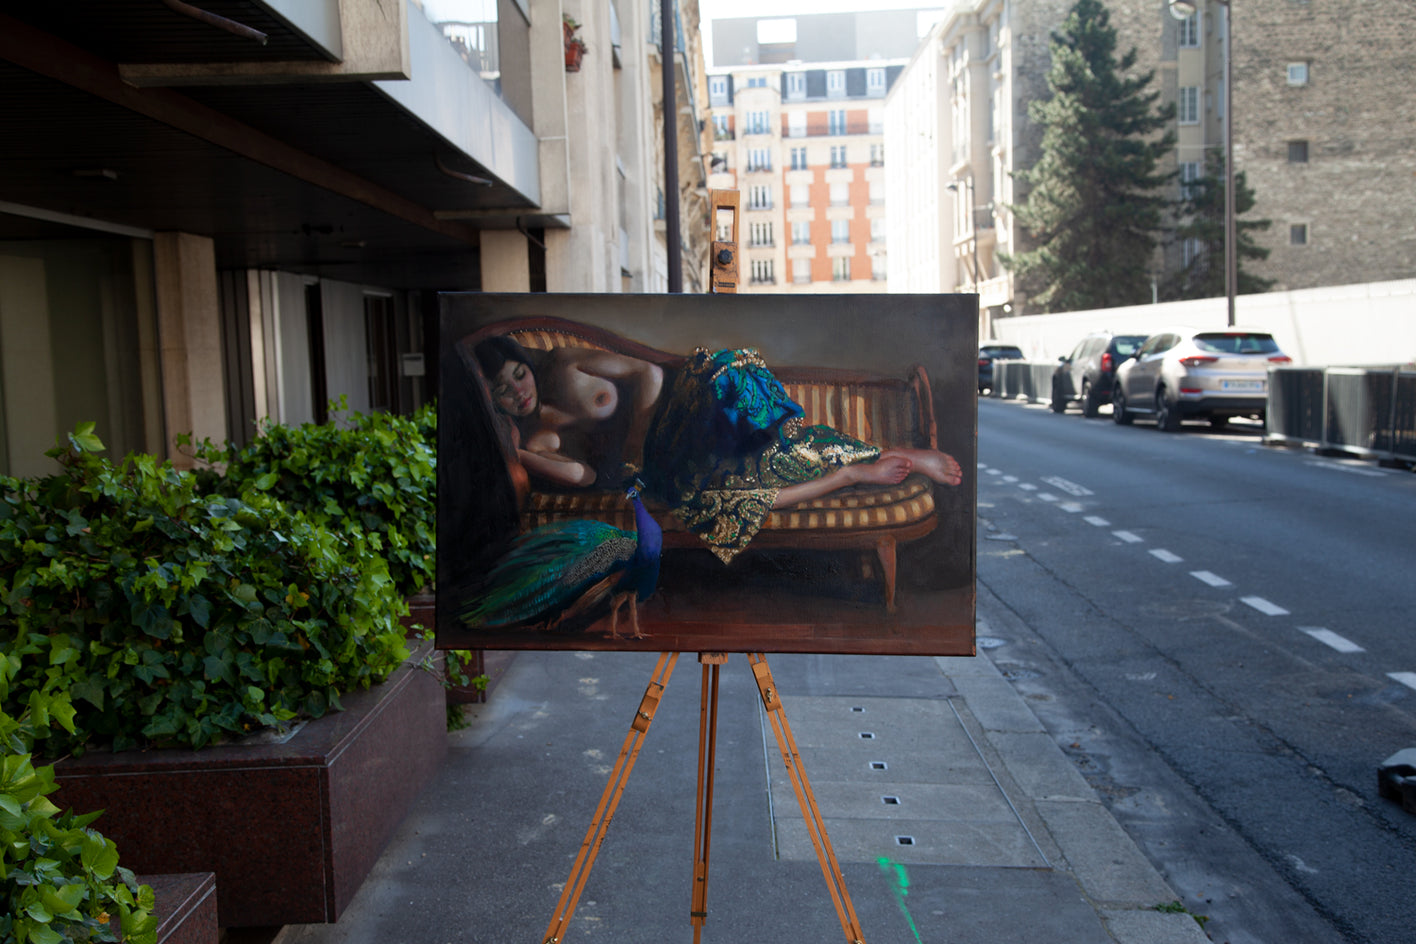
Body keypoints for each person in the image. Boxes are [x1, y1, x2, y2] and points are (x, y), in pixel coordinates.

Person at [474, 335, 962, 561]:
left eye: (519, 374)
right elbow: (581, 476)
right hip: (669, 468)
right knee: (729, 499)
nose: (519, 390)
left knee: (734, 384)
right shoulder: (538, 439)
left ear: (526, 362)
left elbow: (648, 373)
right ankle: (852, 471)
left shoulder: (564, 364)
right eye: (503, 391)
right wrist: (518, 452)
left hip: (679, 409)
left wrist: (638, 444)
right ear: (493, 403)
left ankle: (884, 454)